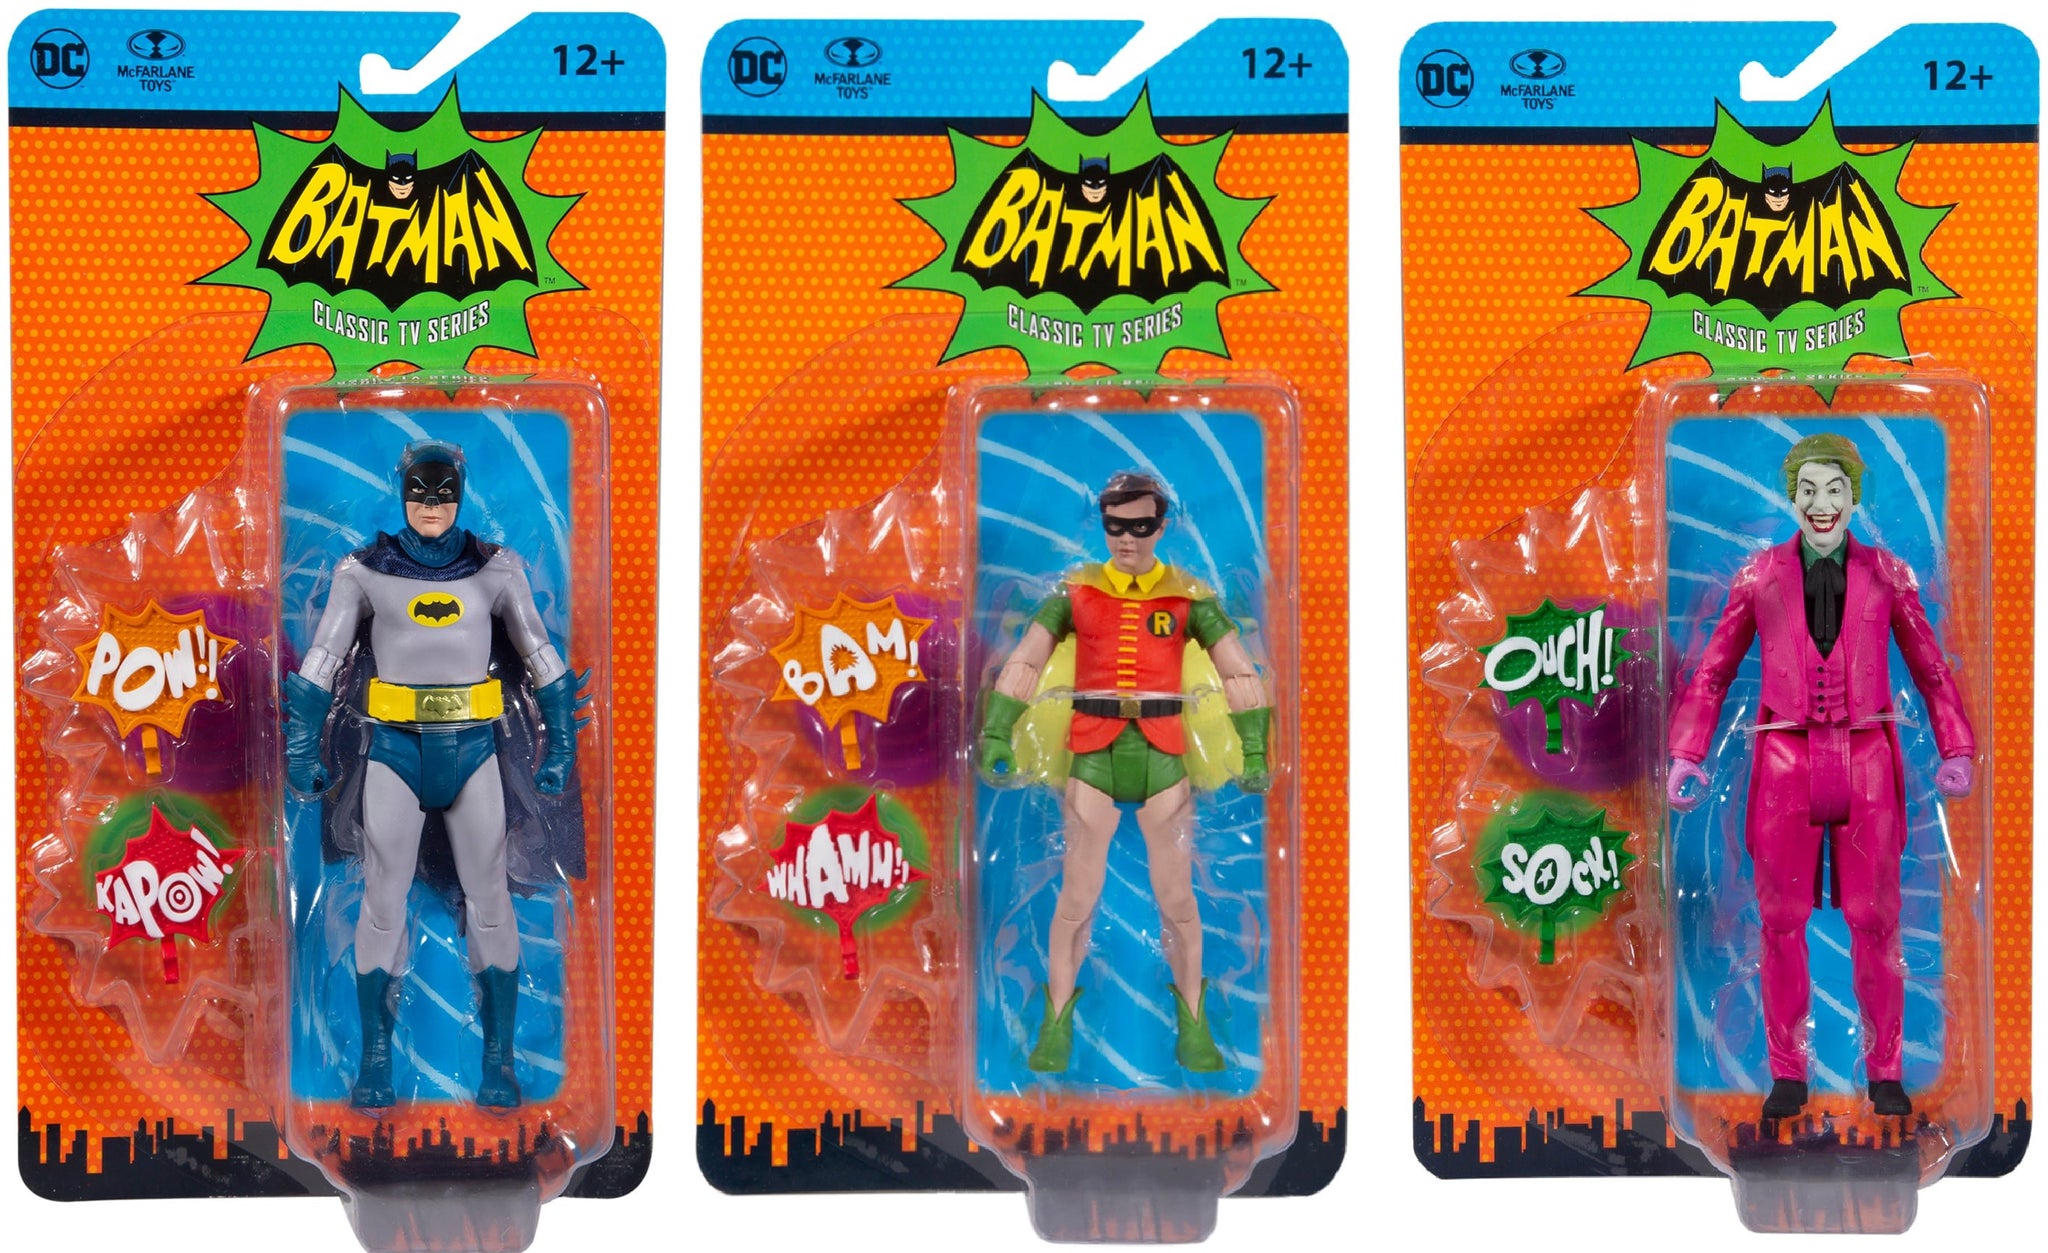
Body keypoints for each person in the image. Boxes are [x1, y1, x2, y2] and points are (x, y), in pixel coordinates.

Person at [1667, 432, 1974, 1121]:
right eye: (1808, 490)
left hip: (1868, 760)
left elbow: (1929, 666)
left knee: (1876, 919)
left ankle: (1886, 1071)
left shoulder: (1888, 576)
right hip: (1784, 760)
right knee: (1779, 921)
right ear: (1792, 496)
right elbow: (1713, 670)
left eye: (1834, 489)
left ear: (1853, 496)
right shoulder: (1758, 576)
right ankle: (1787, 1074)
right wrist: (1688, 752)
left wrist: (1955, 745)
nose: (1821, 503)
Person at [284, 439, 586, 1109]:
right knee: (382, 899)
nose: (430, 504)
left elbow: (542, 657)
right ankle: (375, 1061)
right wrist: (303, 748)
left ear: (460, 492)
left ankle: (499, 1062)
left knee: (490, 896)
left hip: (474, 748)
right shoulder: (364, 572)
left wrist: (560, 746)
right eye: (418, 491)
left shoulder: (496, 569)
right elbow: (322, 661)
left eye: (442, 491)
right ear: (401, 491)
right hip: (393, 750)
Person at [979, 471, 1271, 1073]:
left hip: (1165, 754)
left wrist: (1254, 747)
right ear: (1104, 524)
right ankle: (1056, 1019)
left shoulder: (1188, 597)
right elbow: (1026, 660)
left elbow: (1238, 672)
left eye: (1140, 526)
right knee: (1076, 897)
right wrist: (998, 730)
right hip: (1091, 753)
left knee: (1178, 897)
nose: (1128, 539)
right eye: (1117, 526)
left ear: (1161, 526)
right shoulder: (1075, 594)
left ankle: (1194, 1021)